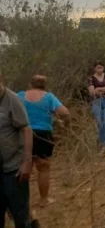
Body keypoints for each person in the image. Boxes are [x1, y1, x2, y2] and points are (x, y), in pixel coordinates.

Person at [17, 75, 70, 208]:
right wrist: (66, 127)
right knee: (43, 168)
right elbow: (65, 113)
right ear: (45, 85)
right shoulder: (49, 97)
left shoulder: (19, 96)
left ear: (30, 84)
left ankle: (21, 202)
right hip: (43, 135)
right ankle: (43, 200)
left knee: (24, 167)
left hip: (22, 133)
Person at [0, 70, 33, 228]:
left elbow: (26, 129)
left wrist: (27, 162)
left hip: (13, 170)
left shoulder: (12, 99)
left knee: (20, 215)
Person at [88, 61, 105, 152]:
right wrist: (104, 89)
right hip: (96, 102)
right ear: (95, 68)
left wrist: (99, 88)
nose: (100, 69)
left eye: (101, 67)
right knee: (100, 123)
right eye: (98, 67)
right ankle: (104, 145)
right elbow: (92, 92)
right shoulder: (91, 78)